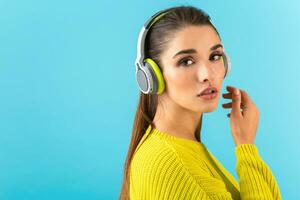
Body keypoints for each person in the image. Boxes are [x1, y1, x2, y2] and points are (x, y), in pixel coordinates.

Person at [119, 5, 282, 200]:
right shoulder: (176, 168)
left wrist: (245, 144)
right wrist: (245, 147)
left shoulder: (176, 146)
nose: (207, 75)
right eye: (186, 61)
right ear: (152, 76)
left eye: (215, 57)